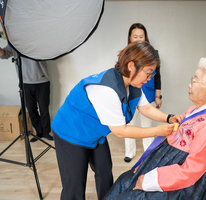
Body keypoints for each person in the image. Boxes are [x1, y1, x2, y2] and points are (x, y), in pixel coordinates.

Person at [51, 41, 183, 200]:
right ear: (132, 66)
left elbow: (146, 108)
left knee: (105, 174)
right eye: (148, 73)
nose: (149, 78)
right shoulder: (106, 90)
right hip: (70, 133)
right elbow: (121, 131)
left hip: (95, 134)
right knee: (74, 188)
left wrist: (168, 118)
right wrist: (157, 131)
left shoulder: (133, 84)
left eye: (152, 74)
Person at [103, 57, 206, 200]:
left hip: (186, 182)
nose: (189, 85)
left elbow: (190, 172)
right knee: (125, 181)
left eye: (195, 80)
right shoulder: (193, 109)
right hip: (171, 166)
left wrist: (148, 181)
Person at [0, 37, 53, 142]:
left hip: (42, 81)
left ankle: (45, 132)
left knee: (44, 109)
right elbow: (3, 55)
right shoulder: (14, 44)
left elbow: (49, 53)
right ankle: (39, 132)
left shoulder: (39, 42)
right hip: (25, 83)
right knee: (31, 110)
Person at [124, 23, 162, 163]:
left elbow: (157, 76)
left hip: (149, 94)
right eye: (135, 36)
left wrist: (158, 96)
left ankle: (148, 153)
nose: (138, 39)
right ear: (130, 38)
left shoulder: (154, 54)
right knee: (129, 125)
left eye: (141, 36)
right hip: (131, 95)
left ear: (145, 37)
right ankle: (130, 152)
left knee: (148, 126)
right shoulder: (125, 54)